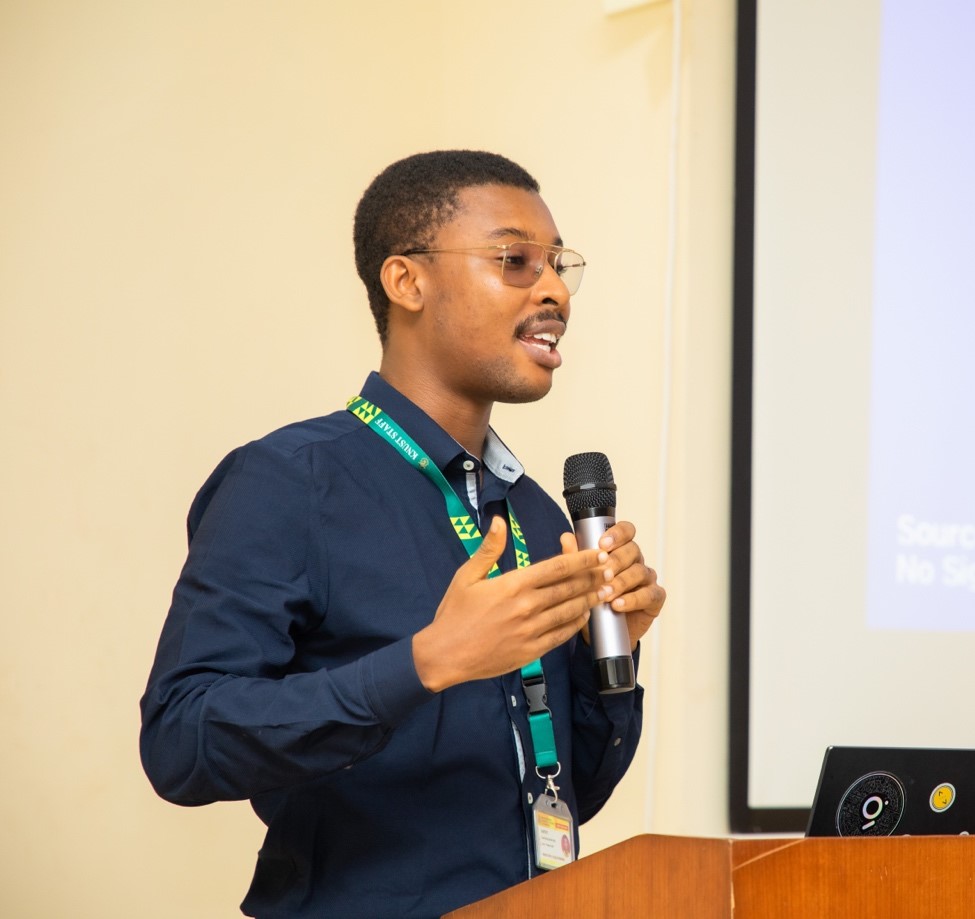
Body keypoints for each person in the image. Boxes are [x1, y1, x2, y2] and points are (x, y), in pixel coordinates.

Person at [140, 150, 665, 918]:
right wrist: (426, 662)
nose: (553, 289)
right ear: (406, 282)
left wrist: (605, 653)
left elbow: (566, 791)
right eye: (516, 260)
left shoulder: (536, 516)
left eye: (558, 266)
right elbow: (181, 743)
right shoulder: (288, 481)